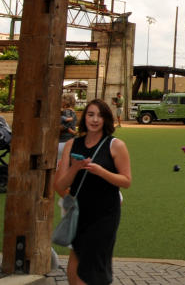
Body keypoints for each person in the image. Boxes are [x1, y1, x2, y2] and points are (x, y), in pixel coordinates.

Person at [54, 99, 131, 285]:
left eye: (100, 115)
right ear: (84, 117)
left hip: (105, 214)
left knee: (91, 267)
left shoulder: (116, 145)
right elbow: (59, 185)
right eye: (90, 114)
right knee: (77, 255)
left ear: (106, 119)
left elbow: (126, 181)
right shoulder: (73, 144)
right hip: (79, 212)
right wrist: (75, 168)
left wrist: (101, 171)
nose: (95, 119)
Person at [58, 93, 78, 160]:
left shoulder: (67, 111)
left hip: (63, 140)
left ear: (65, 102)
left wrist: (58, 128)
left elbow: (66, 124)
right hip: (70, 140)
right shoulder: (73, 112)